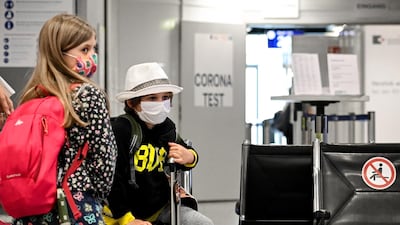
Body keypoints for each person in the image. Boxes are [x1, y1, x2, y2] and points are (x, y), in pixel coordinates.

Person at [12, 13, 117, 225]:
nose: (92, 55)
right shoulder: (88, 95)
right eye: (85, 49)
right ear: (60, 54)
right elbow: (105, 157)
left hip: (33, 209)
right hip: (75, 206)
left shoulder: (31, 97)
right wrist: (96, 192)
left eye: (94, 48)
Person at [105, 62, 214, 225]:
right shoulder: (121, 130)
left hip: (161, 209)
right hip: (123, 214)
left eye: (165, 98)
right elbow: (112, 180)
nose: (160, 103)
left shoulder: (167, 128)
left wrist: (189, 156)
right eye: (152, 98)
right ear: (131, 103)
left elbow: (185, 153)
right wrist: (126, 220)